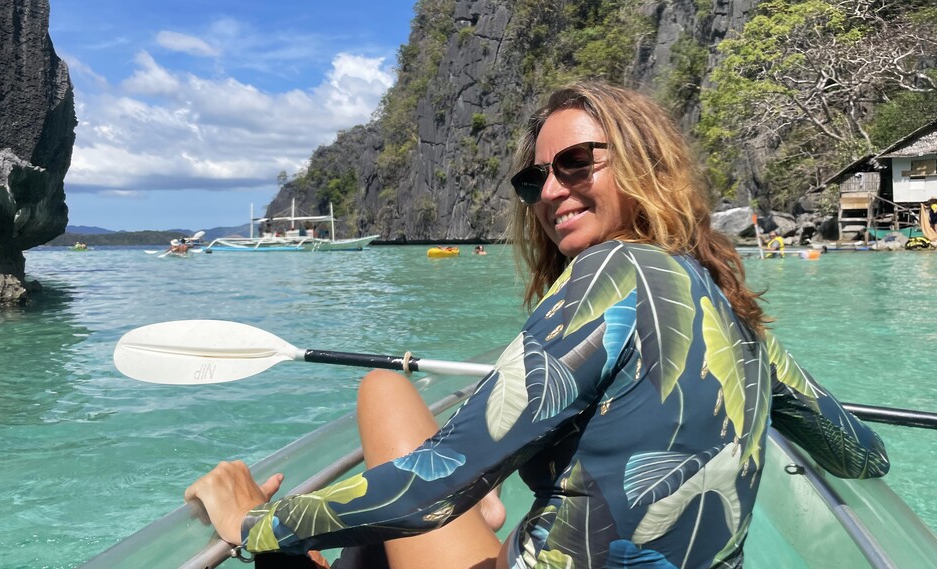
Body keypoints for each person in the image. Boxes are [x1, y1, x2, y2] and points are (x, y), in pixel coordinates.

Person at [186, 82, 889, 569]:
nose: (551, 190)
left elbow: (433, 489)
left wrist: (255, 522)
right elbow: (860, 454)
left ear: (644, 164)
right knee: (392, 395)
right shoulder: (736, 315)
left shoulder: (616, 270)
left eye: (577, 163)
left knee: (382, 390)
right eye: (536, 179)